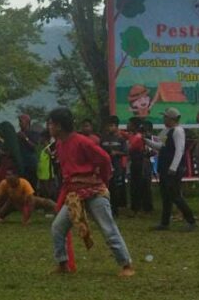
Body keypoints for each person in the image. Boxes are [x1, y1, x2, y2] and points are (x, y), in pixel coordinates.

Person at [46, 107, 135, 276]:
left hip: (94, 191)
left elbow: (104, 158)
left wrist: (102, 180)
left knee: (108, 228)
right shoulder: (59, 143)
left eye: (51, 124)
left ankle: (126, 265)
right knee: (58, 227)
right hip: (74, 193)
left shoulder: (82, 141)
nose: (49, 127)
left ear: (58, 126)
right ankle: (63, 263)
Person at [148, 108, 197, 232]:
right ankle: (164, 222)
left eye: (166, 117)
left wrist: (173, 167)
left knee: (175, 195)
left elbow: (179, 150)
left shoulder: (178, 131)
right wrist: (146, 141)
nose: (164, 119)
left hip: (172, 168)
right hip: (165, 167)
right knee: (166, 196)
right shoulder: (168, 131)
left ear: (172, 119)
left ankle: (191, 220)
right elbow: (161, 147)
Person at [99, 116, 129, 218]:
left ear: (116, 127)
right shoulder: (103, 139)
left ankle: (115, 210)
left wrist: (116, 153)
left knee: (115, 189)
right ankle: (105, 209)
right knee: (104, 189)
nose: (109, 128)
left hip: (116, 167)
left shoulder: (121, 139)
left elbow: (125, 152)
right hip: (105, 168)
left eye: (112, 125)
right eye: (108, 125)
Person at [126, 118, 153, 217]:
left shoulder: (137, 137)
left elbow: (130, 148)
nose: (127, 125)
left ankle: (144, 208)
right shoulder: (134, 136)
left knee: (141, 186)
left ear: (133, 125)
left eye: (129, 124)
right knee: (136, 185)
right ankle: (137, 208)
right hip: (136, 162)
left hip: (140, 163)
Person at [16, 114, 41, 185]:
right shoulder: (18, 135)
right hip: (21, 164)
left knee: (32, 185)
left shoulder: (34, 133)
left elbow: (34, 147)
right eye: (19, 122)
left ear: (27, 122)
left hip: (31, 164)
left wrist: (25, 138)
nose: (20, 124)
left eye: (21, 121)